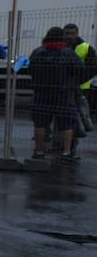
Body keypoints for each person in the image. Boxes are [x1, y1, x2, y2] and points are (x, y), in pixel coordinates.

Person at [29, 26, 83, 162]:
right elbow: (80, 69)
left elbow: (31, 69)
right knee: (67, 124)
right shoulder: (68, 53)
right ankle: (66, 152)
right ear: (62, 37)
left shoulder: (37, 52)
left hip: (41, 93)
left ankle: (39, 151)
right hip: (63, 94)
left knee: (40, 123)